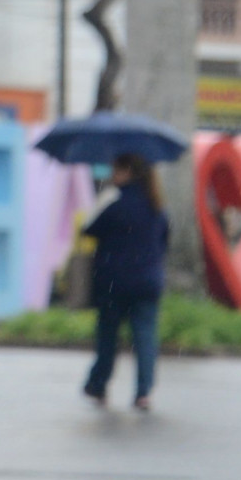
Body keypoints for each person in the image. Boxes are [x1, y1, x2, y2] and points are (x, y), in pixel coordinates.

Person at [81, 152, 169, 412]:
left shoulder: (114, 202)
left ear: (127, 172)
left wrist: (101, 201)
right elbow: (164, 241)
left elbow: (89, 229)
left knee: (108, 335)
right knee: (145, 336)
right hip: (148, 281)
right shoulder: (157, 206)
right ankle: (143, 392)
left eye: (116, 170)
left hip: (114, 282)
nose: (112, 174)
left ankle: (98, 384)